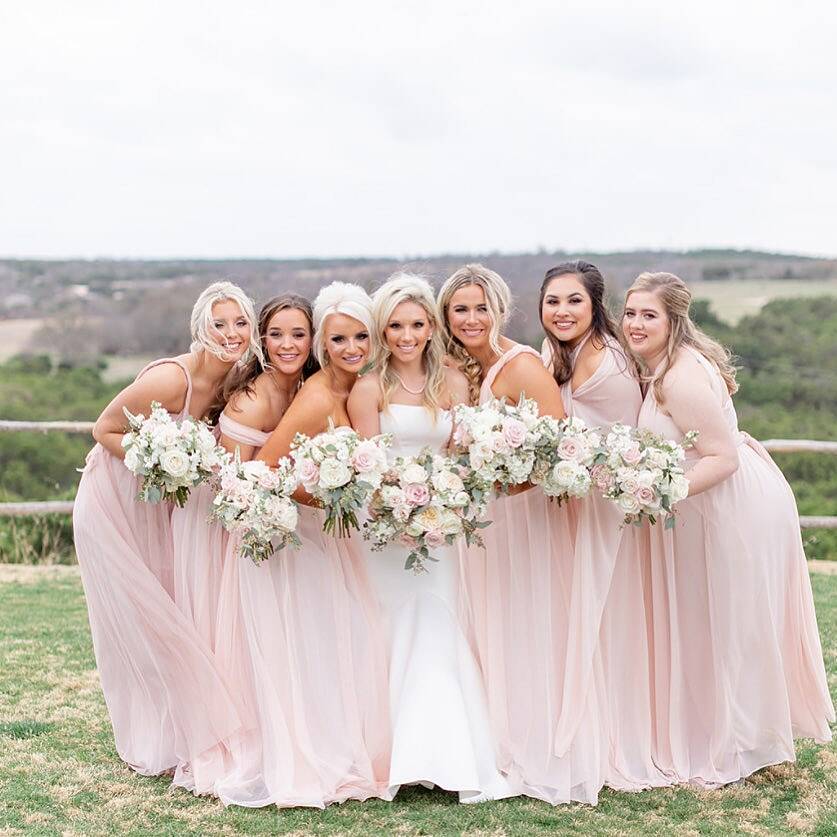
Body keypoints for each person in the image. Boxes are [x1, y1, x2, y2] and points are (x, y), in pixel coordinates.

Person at [623, 271, 835, 786]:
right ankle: (730, 733)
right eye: (629, 312)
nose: (635, 323)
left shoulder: (679, 376)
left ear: (674, 320)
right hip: (713, 503)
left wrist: (657, 493)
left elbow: (722, 458)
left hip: (729, 507)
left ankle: (743, 747)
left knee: (732, 622)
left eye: (649, 314)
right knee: (717, 620)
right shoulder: (660, 367)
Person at [204, 281, 392, 808]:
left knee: (327, 643)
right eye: (278, 335)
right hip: (291, 536)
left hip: (322, 536)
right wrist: (329, 491)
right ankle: (306, 755)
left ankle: (337, 744)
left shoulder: (330, 386)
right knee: (302, 646)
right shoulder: (312, 398)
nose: (289, 344)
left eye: (299, 334)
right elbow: (266, 473)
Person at [72, 281, 259, 786]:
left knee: (177, 610)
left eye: (240, 323)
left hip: (160, 508)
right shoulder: (170, 380)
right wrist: (160, 466)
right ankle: (156, 734)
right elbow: (104, 429)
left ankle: (186, 732)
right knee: (146, 617)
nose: (231, 333)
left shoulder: (236, 379)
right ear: (200, 326)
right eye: (219, 323)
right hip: (113, 502)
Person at [439, 263, 609, 805]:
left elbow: (557, 454)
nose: (471, 318)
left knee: (520, 631)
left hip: (520, 523)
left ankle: (527, 755)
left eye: (481, 307)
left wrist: (498, 484)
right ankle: (483, 748)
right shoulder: (458, 366)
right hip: (476, 527)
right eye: (460, 309)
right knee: (483, 632)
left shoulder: (523, 366)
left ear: (501, 309)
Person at [348, 272, 515, 803]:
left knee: (439, 629)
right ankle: (396, 756)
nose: (406, 335)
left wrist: (442, 501)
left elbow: (463, 459)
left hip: (441, 531)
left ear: (430, 327)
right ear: (382, 328)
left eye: (417, 323)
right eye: (395, 324)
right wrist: (395, 507)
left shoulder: (453, 382)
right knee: (390, 631)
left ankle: (449, 756)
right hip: (383, 532)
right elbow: (366, 467)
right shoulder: (369, 387)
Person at [539, 260, 669, 790]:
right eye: (553, 301)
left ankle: (618, 736)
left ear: (595, 305)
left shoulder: (614, 362)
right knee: (577, 617)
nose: (562, 310)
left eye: (574, 300)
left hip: (609, 511)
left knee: (610, 620)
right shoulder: (553, 352)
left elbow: (637, 435)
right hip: (569, 505)